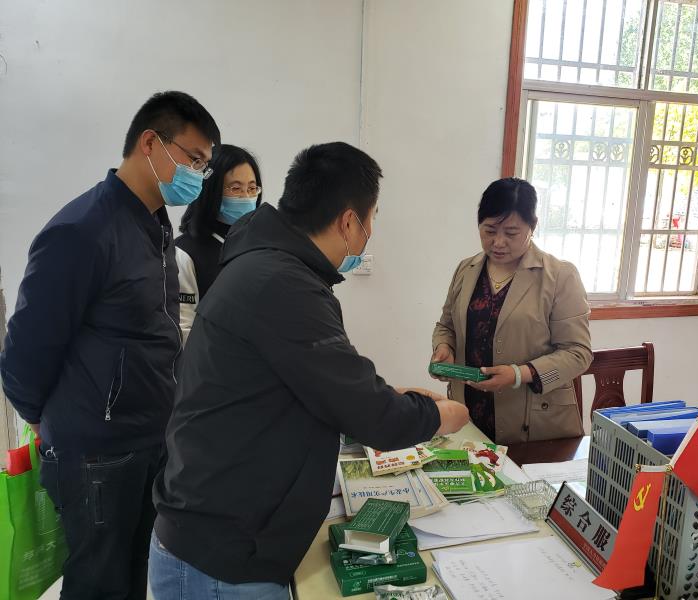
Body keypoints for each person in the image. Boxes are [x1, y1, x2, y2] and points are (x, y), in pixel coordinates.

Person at [149, 142, 469, 600]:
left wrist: (386, 396)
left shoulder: (268, 266)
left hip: (225, 536)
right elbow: (370, 413)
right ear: (349, 222)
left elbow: (320, 383)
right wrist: (439, 417)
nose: (370, 232)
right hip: (222, 559)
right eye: (372, 218)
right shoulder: (283, 283)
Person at [0, 91, 220, 600]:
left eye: (204, 167)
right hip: (96, 456)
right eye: (193, 160)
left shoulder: (154, 226)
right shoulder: (82, 230)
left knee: (135, 576)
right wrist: (49, 423)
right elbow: (25, 354)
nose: (198, 176)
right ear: (151, 143)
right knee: (99, 585)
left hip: (148, 442)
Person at [431, 177, 591, 445]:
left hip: (534, 423)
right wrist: (443, 348)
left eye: (511, 233)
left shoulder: (560, 276)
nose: (498, 242)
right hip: (469, 413)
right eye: (490, 231)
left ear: (533, 226)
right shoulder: (466, 270)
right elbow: (446, 326)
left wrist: (518, 374)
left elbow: (578, 353)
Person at [175, 144, 263, 341]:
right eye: (236, 188)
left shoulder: (260, 245)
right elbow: (184, 329)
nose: (246, 197)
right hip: (211, 357)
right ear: (211, 191)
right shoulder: (184, 253)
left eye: (252, 188)